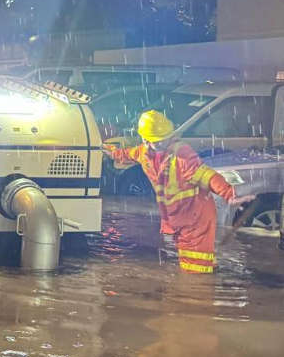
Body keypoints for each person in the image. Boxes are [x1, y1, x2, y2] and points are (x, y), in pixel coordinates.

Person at [104, 109, 252, 273]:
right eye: (155, 140)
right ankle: (203, 282)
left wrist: (228, 194)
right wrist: (111, 153)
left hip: (196, 216)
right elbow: (128, 154)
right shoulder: (145, 152)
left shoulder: (182, 153)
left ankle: (195, 292)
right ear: (145, 139)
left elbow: (206, 175)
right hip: (178, 217)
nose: (159, 143)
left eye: (163, 140)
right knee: (194, 259)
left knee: (194, 267)